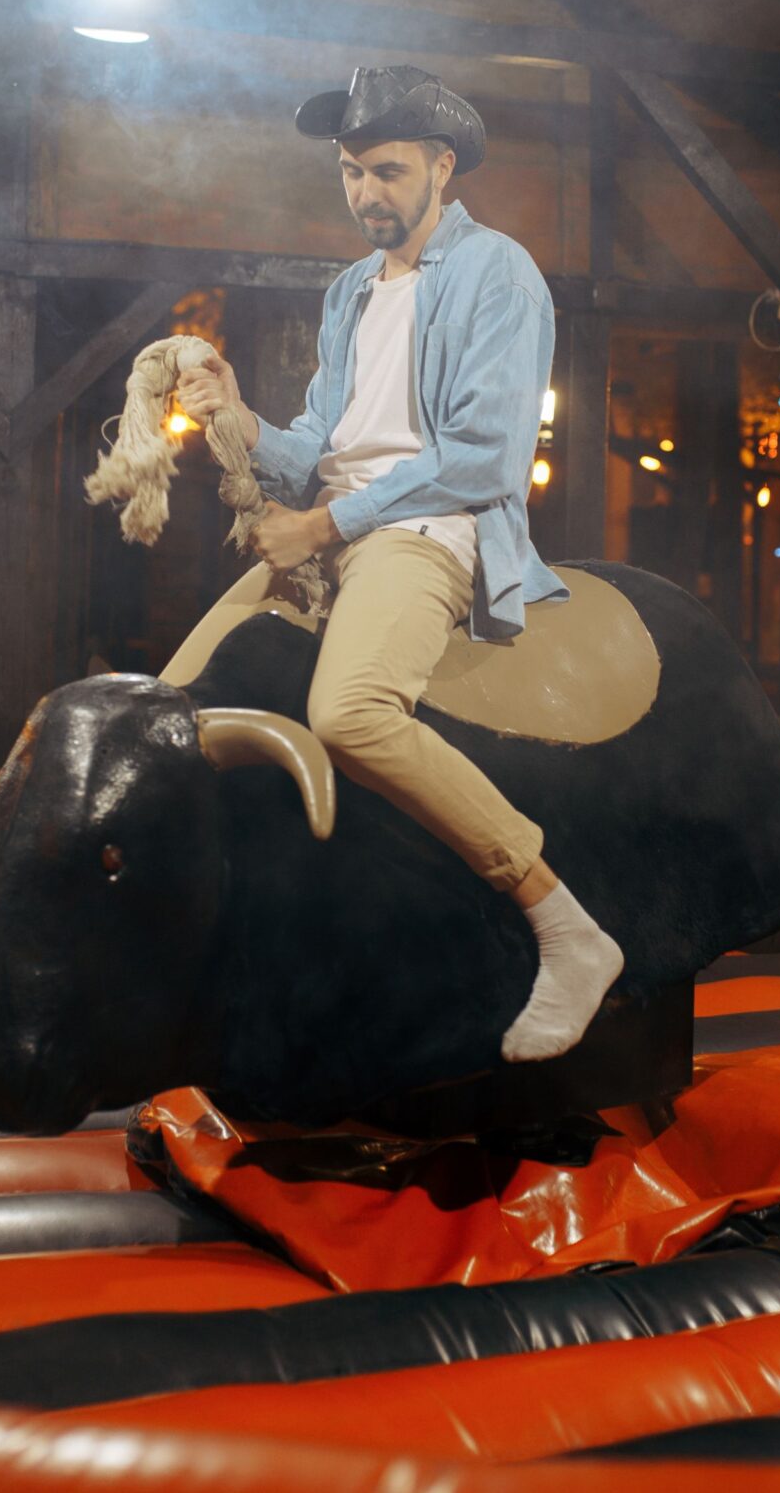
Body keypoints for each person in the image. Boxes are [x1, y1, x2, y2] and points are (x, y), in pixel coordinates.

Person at [169, 65, 623, 1063]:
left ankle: (566, 926)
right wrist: (238, 416)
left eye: (386, 171)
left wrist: (324, 528)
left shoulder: (499, 273)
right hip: (341, 524)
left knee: (350, 713)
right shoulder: (349, 292)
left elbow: (483, 459)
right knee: (169, 702)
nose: (365, 193)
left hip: (432, 531)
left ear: (441, 166)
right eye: (350, 173)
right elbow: (318, 447)